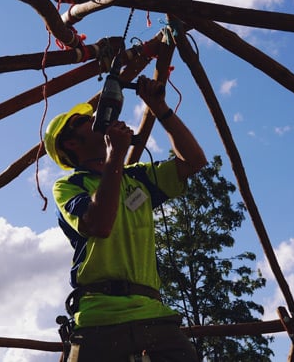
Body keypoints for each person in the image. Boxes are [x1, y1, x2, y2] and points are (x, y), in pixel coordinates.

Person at [44, 75, 207, 362]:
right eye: (85, 121)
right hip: (99, 318)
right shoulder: (69, 185)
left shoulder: (137, 178)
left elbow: (194, 161)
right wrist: (116, 155)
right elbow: (100, 225)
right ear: (70, 143)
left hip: (153, 314)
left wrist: (160, 108)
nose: (96, 120)